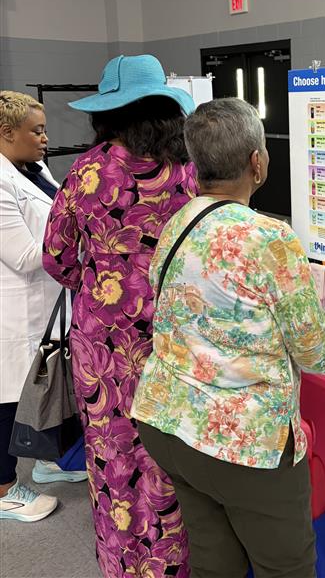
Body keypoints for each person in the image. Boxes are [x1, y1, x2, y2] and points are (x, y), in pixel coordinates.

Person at [131, 98, 325, 578]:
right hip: (245, 442)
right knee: (285, 566)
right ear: (257, 162)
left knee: (214, 558)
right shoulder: (270, 238)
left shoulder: (178, 222)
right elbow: (315, 353)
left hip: (170, 421)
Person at [42, 56, 198, 578]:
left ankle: (124, 564)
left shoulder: (89, 171)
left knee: (113, 455)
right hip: (179, 329)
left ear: (107, 112)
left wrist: (99, 279)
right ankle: (177, 562)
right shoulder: (190, 169)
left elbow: (56, 257)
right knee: (173, 448)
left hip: (104, 341)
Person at [0, 91, 87, 523]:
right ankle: (4, 489)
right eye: (36, 131)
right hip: (16, 309)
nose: (45, 139)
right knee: (10, 398)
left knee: (47, 387)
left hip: (49, 303)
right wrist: (84, 241)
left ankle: (48, 460)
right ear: (6, 132)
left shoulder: (32, 170)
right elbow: (21, 254)